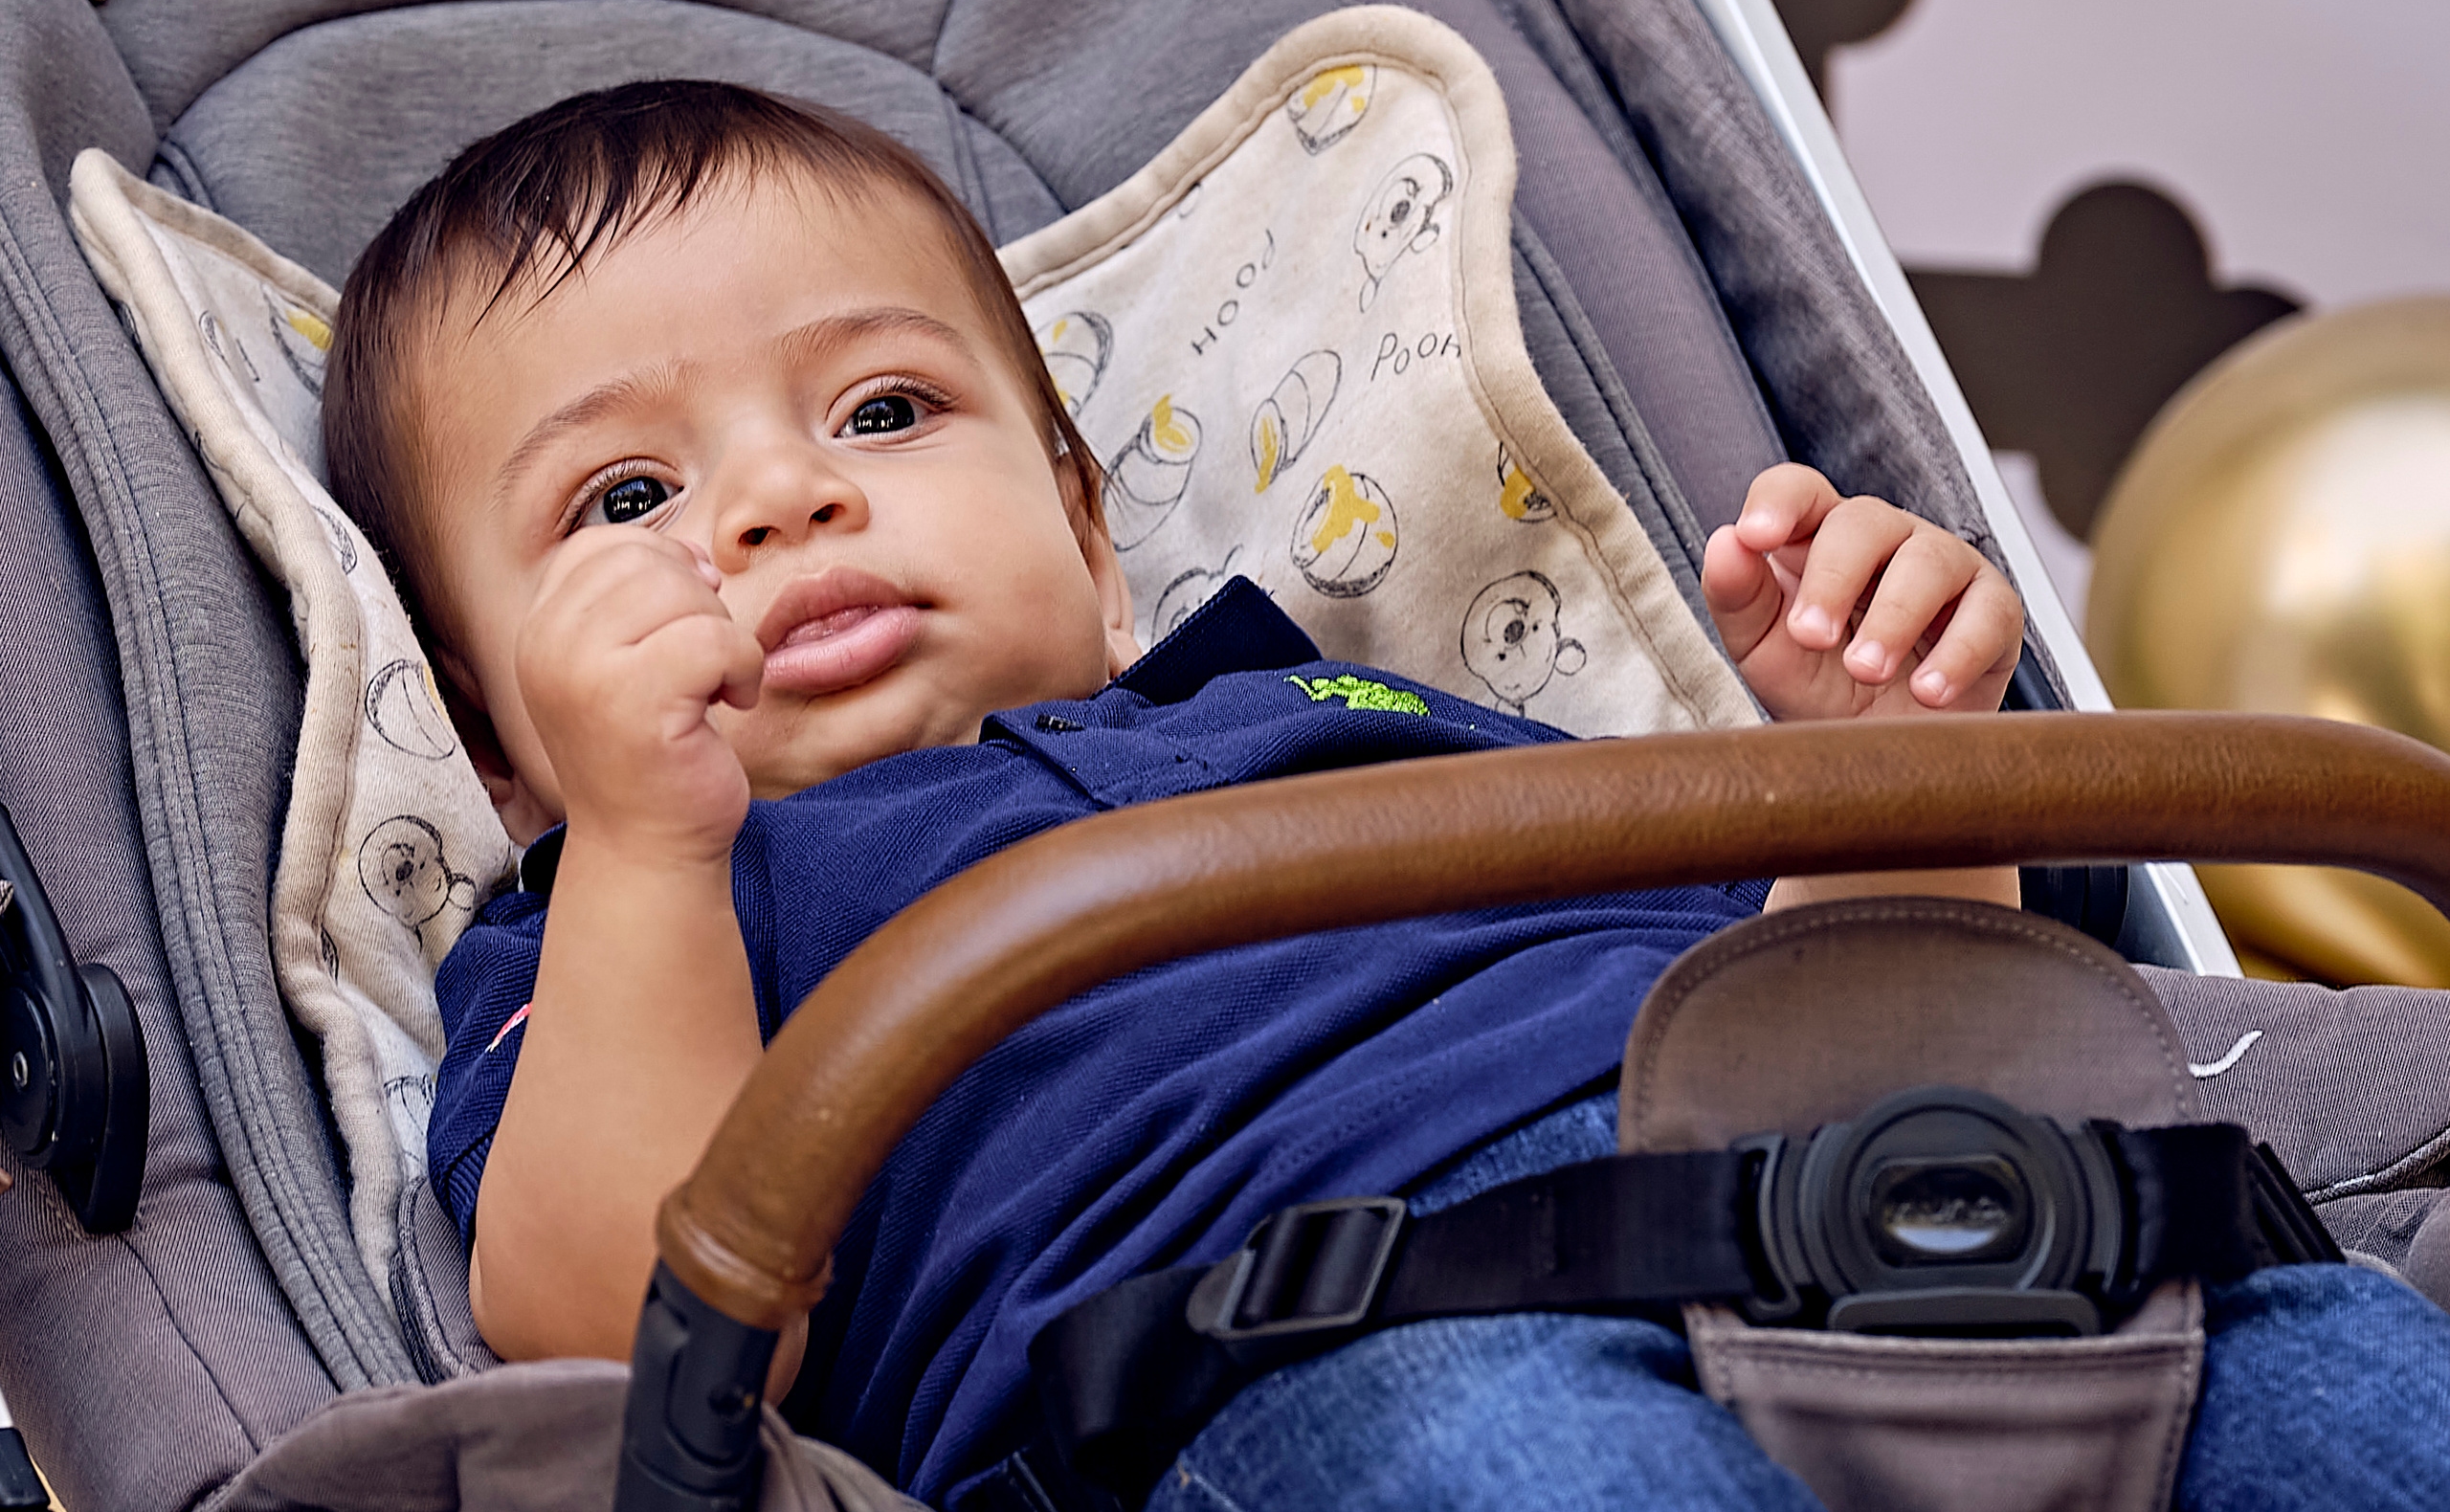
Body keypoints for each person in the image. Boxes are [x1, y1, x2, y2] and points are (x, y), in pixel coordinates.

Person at [323, 80, 2450, 1511]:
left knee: (2353, 1400)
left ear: (1087, 536)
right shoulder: (632, 926)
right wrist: (645, 841)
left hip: (1929, 1227)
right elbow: (627, 1345)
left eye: (884, 408)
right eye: (625, 498)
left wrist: (1889, 770)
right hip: (1312, 1348)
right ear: (494, 734)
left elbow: (1850, 1020)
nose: (783, 497)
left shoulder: (1338, 711)